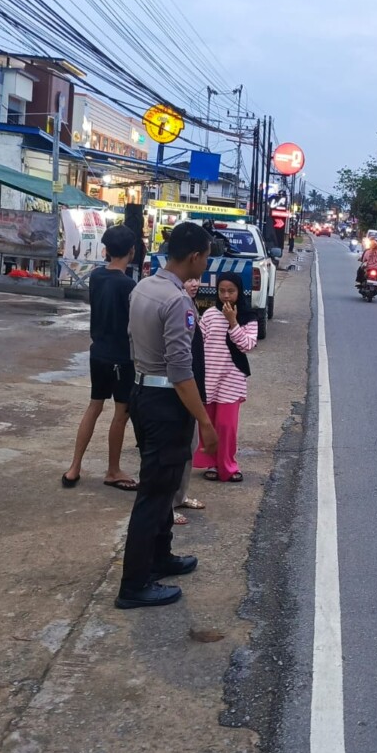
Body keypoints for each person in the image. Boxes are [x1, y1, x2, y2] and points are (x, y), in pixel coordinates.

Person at [117, 222, 219, 610]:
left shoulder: (145, 286)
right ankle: (134, 583)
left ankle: (160, 557)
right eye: (206, 255)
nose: (207, 262)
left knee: (160, 485)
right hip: (165, 404)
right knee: (155, 494)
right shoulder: (176, 301)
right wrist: (205, 423)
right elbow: (180, 370)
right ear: (194, 257)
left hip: (143, 394)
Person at [62, 224, 140, 492]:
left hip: (99, 353)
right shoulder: (130, 286)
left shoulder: (96, 277)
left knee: (94, 407)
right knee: (121, 413)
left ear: (106, 250)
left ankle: (74, 467)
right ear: (132, 251)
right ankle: (113, 470)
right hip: (122, 357)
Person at [193, 271, 259, 483]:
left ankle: (228, 466)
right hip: (209, 377)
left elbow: (247, 345)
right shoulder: (210, 314)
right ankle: (211, 463)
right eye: (222, 291)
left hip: (231, 378)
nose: (226, 296)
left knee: (226, 426)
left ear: (239, 292)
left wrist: (233, 323)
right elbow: (199, 344)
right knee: (209, 424)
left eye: (231, 291)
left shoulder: (249, 317)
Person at [172, 277, 209, 525]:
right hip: (178, 389)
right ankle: (167, 505)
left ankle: (180, 495)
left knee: (189, 446)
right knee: (173, 451)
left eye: (197, 281)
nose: (195, 284)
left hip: (195, 385)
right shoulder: (176, 305)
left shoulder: (193, 307)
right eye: (189, 280)